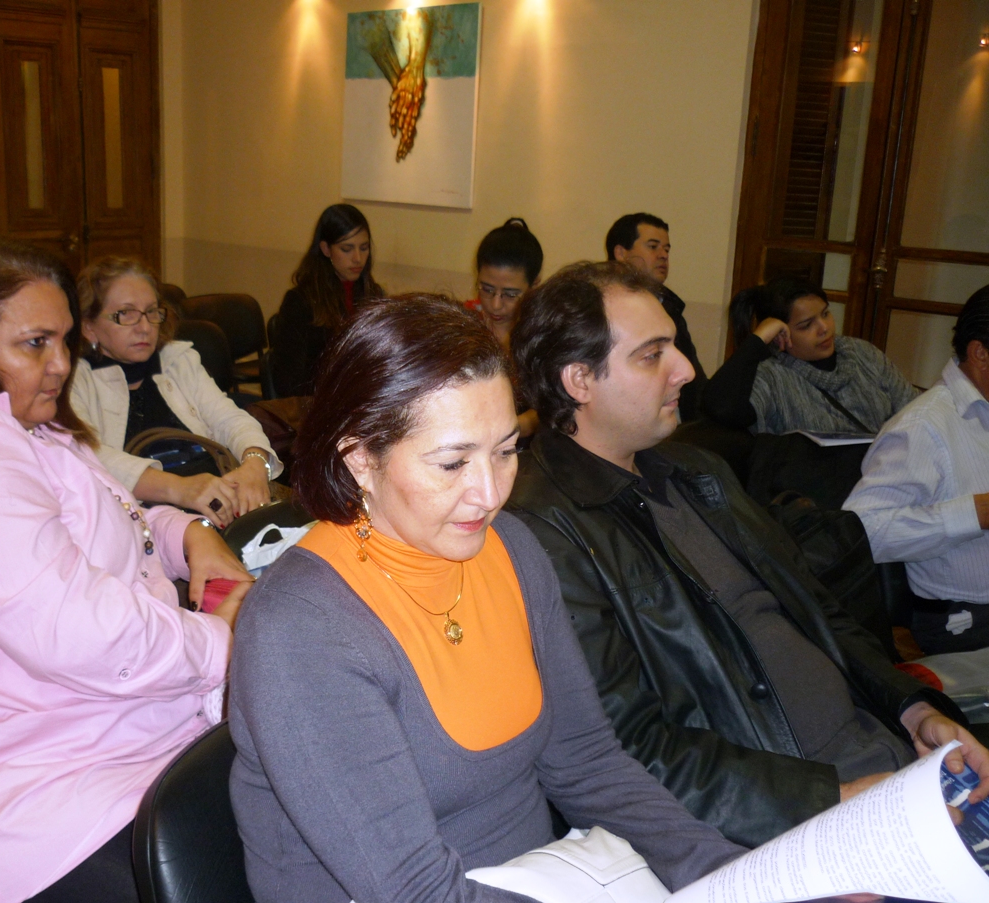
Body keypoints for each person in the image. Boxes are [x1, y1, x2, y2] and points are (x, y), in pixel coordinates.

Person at [229, 294, 745, 903]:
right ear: (360, 459)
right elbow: (417, 894)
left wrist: (737, 875)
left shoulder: (511, 549)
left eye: (505, 452)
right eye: (453, 464)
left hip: (540, 879)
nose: (490, 494)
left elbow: (587, 762)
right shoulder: (303, 629)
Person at [506, 261, 989, 848]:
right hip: (778, 817)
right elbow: (627, 746)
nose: (686, 369)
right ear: (579, 380)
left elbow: (819, 611)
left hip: (880, 759)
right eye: (652, 355)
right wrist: (829, 802)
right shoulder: (541, 530)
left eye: (674, 345)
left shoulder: (699, 472)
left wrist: (913, 710)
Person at [0, 236, 252, 903]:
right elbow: (80, 631)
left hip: (86, 737)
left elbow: (110, 518)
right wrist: (220, 640)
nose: (60, 364)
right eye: (35, 344)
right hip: (4, 794)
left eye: (63, 340)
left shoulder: (27, 426)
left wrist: (190, 535)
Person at [70, 256, 282, 528]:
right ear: (88, 327)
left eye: (151, 312)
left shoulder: (178, 359)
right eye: (126, 314)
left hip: (216, 497)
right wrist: (180, 489)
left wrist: (254, 464)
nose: (145, 327)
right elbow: (86, 456)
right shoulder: (73, 379)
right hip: (144, 517)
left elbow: (229, 418)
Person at [844, 286, 989, 655]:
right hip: (964, 623)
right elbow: (863, 530)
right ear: (980, 353)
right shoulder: (923, 425)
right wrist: (975, 513)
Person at [703, 277, 918, 435]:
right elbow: (721, 409)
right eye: (806, 325)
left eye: (825, 313)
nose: (824, 328)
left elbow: (914, 410)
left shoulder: (863, 353)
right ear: (780, 335)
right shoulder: (770, 376)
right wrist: (758, 340)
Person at [270, 203, 384, 397]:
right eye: (347, 249)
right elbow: (289, 382)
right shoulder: (301, 301)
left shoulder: (373, 294)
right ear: (325, 249)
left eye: (364, 248)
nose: (358, 258)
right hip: (317, 402)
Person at [606, 212, 707, 420]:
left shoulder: (670, 307)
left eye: (667, 249)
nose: (663, 255)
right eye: (653, 247)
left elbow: (694, 382)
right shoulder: (603, 306)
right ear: (621, 253)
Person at [468, 217, 543, 437]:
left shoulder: (542, 333)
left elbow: (555, 405)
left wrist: (513, 429)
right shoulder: (463, 323)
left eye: (510, 295)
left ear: (534, 285)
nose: (496, 304)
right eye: (486, 289)